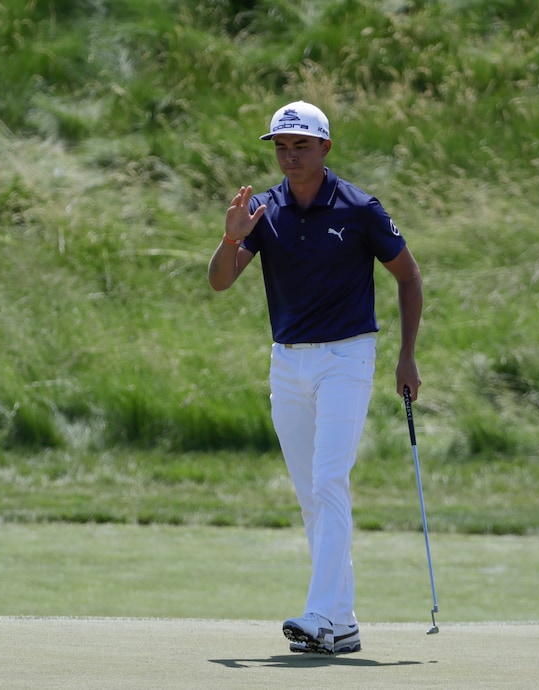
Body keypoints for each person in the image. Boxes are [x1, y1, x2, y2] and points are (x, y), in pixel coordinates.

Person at [207, 100, 423, 655]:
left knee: (329, 481)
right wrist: (232, 237)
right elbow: (221, 282)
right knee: (311, 496)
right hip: (288, 361)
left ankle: (319, 614)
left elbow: (408, 276)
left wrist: (406, 357)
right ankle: (343, 623)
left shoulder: (359, 208)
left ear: (325, 147)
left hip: (348, 357)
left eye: (300, 145)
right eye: (280, 145)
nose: (289, 155)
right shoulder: (264, 209)